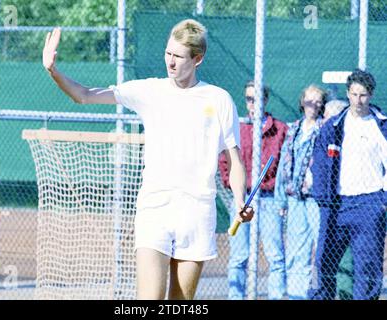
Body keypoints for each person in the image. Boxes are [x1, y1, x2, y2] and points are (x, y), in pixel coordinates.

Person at [42, 19, 254, 300]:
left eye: (178, 56)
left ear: (198, 58)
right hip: (155, 209)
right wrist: (53, 70)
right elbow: (84, 96)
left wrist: (240, 199)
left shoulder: (219, 99)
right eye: (168, 53)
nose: (171, 61)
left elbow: (235, 161)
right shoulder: (150, 90)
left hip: (197, 212)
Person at [308, 69, 387, 300]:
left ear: (370, 95)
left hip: (369, 206)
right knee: (324, 264)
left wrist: (382, 200)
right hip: (336, 206)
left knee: (368, 267)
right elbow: (320, 165)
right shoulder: (333, 126)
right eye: (353, 94)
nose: (358, 100)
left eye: (363, 95)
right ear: (347, 94)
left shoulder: (380, 126)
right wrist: (324, 199)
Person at [219, 81, 288, 300]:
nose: (253, 104)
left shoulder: (279, 129)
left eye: (257, 99)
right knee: (239, 256)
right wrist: (233, 185)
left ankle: (276, 297)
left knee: (275, 256)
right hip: (242, 198)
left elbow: (285, 163)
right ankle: (236, 297)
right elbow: (225, 159)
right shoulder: (238, 128)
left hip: (268, 199)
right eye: (249, 99)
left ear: (265, 100)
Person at [274, 84, 327, 299]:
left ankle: (319, 291)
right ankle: (297, 294)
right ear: (302, 103)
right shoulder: (294, 129)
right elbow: (283, 165)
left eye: (317, 102)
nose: (312, 106)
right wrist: (281, 201)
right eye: (308, 101)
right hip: (295, 199)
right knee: (296, 249)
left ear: (322, 105)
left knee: (322, 248)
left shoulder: (325, 129)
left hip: (316, 200)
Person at [323, 99, 354, 300]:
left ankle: (346, 295)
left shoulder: (349, 137)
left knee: (346, 257)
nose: (327, 119)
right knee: (323, 256)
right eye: (326, 115)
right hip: (323, 204)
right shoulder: (322, 136)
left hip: (347, 203)